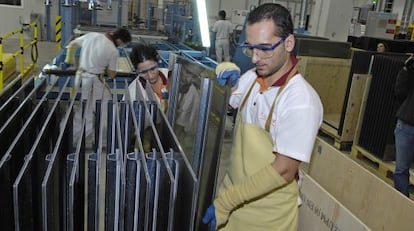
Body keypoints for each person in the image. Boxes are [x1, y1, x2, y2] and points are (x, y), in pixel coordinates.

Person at [202, 3, 323, 230]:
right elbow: (222, 99)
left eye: (265, 49)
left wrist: (227, 202)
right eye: (251, 48)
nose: (256, 58)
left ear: (289, 43)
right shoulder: (251, 78)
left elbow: (284, 169)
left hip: (266, 218)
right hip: (232, 199)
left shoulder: (300, 101)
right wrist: (223, 72)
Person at [64, 27, 131, 148]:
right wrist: (103, 65)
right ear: (120, 40)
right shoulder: (112, 50)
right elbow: (111, 74)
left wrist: (69, 61)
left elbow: (72, 44)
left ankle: (74, 138)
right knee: (89, 113)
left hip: (79, 78)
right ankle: (70, 141)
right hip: (93, 83)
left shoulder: (91, 35)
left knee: (90, 109)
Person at [127, 44, 170, 112]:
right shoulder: (133, 92)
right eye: (144, 72)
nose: (150, 76)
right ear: (137, 71)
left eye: (153, 69)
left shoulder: (171, 77)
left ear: (158, 60)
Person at [393, 54, 414, 197]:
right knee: (401, 169)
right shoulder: (411, 70)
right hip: (406, 126)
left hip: (406, 127)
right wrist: (406, 69)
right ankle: (402, 205)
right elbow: (399, 92)